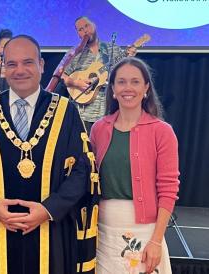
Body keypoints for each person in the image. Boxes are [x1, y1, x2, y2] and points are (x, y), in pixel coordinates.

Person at [0, 35, 94, 274]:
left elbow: (83, 170)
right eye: (12, 64)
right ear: (3, 67)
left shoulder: (66, 111)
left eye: (27, 62)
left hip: (50, 231)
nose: (19, 70)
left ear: (41, 65)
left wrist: (49, 209)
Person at [90, 57, 180, 274]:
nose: (127, 88)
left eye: (135, 81)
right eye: (121, 82)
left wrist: (156, 240)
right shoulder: (98, 129)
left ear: (146, 88)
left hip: (146, 232)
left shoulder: (162, 131)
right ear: (112, 88)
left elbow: (168, 189)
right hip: (103, 232)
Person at [60, 16, 136, 133]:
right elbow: (61, 75)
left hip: (110, 111)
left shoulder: (112, 49)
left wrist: (129, 58)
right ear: (78, 34)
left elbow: (125, 75)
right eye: (80, 29)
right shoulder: (74, 53)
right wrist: (75, 82)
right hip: (82, 115)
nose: (85, 30)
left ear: (94, 26)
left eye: (87, 26)